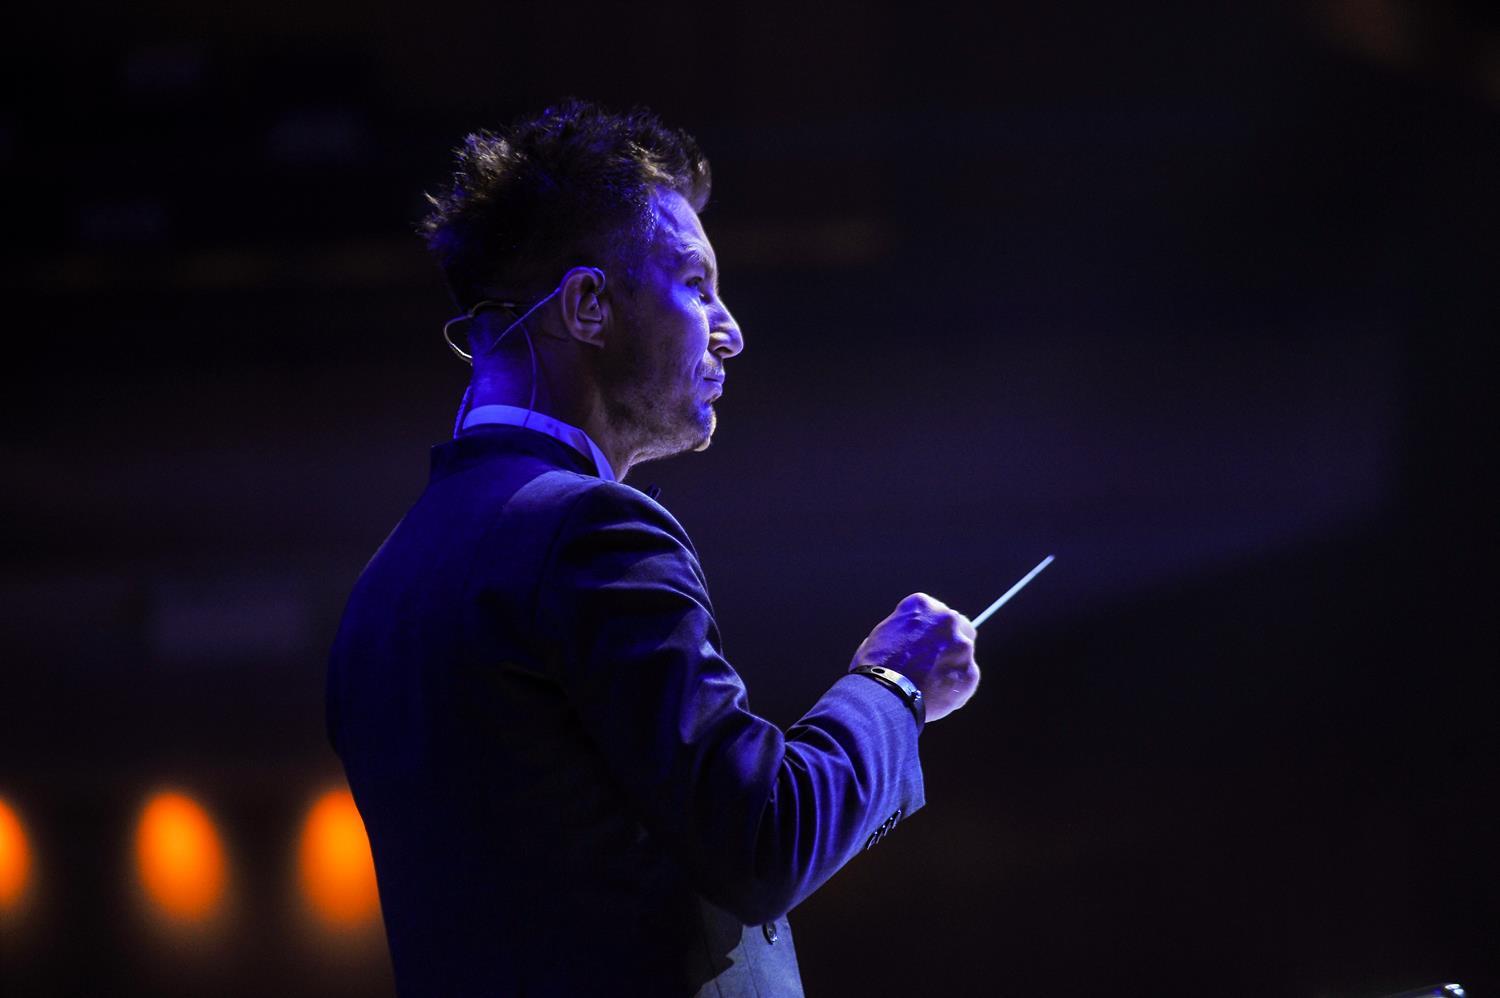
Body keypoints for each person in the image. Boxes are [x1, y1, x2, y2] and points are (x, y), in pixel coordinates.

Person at [326, 99, 981, 997]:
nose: (730, 331)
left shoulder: (385, 584)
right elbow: (760, 837)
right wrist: (893, 686)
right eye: (696, 285)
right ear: (588, 305)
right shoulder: (588, 530)